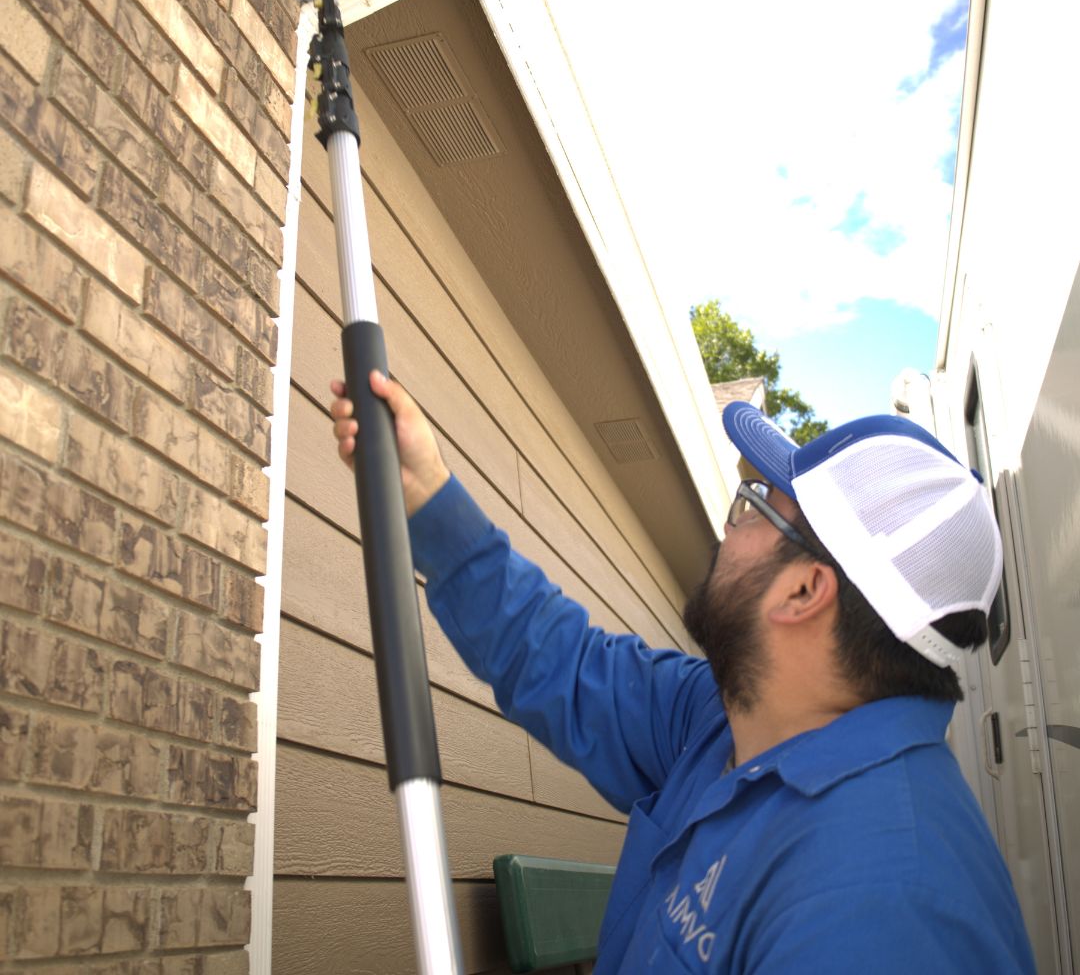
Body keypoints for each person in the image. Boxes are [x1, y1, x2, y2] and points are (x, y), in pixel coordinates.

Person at [330, 373, 1036, 973]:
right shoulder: (731, 716)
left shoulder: (884, 909)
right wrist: (425, 491)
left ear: (803, 591)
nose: (728, 526)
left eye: (753, 505)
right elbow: (566, 662)